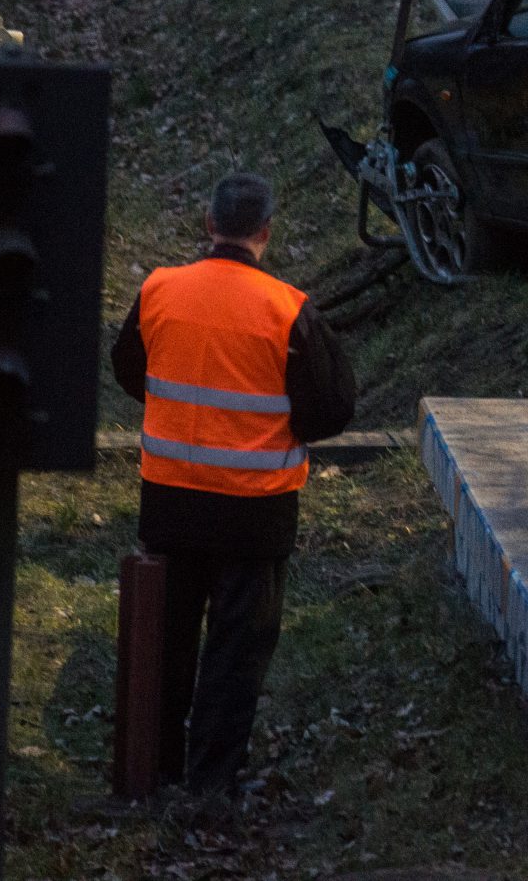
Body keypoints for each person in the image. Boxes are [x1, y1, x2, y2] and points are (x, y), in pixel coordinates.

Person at [111, 172, 355, 798]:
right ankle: (212, 783)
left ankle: (152, 768)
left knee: (165, 641)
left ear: (207, 224)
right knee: (235, 652)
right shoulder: (288, 310)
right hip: (256, 514)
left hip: (169, 501)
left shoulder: (159, 290)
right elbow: (330, 408)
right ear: (265, 234)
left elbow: (128, 368)